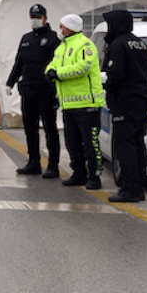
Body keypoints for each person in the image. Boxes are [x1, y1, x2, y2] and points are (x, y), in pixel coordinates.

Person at [45, 13, 104, 190]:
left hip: (87, 105)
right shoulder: (62, 47)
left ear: (70, 27)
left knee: (90, 143)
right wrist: (49, 72)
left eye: (62, 26)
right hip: (68, 104)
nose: (60, 29)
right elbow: (52, 64)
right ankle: (79, 172)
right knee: (72, 142)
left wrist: (58, 74)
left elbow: (83, 66)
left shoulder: (85, 45)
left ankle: (95, 176)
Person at [101, 10, 147, 203]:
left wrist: (107, 86)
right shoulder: (140, 44)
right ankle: (138, 187)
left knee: (125, 147)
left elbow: (116, 75)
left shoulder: (118, 45)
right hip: (142, 100)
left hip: (126, 102)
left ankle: (129, 189)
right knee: (138, 144)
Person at [6, 4, 62, 178]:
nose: (35, 20)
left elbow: (59, 63)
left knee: (49, 128)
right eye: (33, 17)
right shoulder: (26, 38)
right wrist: (11, 82)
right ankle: (33, 162)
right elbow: (19, 63)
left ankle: (53, 165)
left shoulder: (54, 39)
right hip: (28, 90)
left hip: (46, 91)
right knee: (30, 128)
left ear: (45, 18)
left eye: (38, 17)